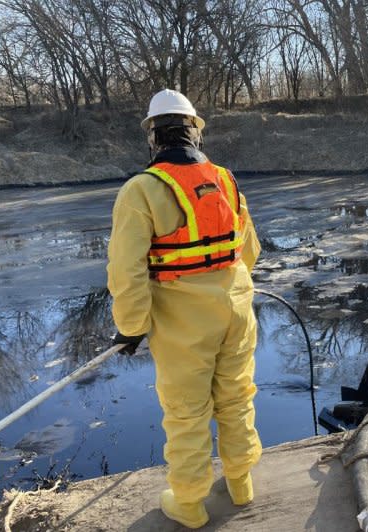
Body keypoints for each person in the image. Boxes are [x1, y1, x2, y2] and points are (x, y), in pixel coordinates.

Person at [106, 89, 262, 528]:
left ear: (153, 136)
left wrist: (131, 327)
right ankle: (241, 481)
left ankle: (190, 503)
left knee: (187, 411)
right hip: (236, 308)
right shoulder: (226, 179)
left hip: (183, 322)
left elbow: (126, 270)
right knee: (236, 396)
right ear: (195, 130)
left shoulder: (140, 190)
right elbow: (249, 252)